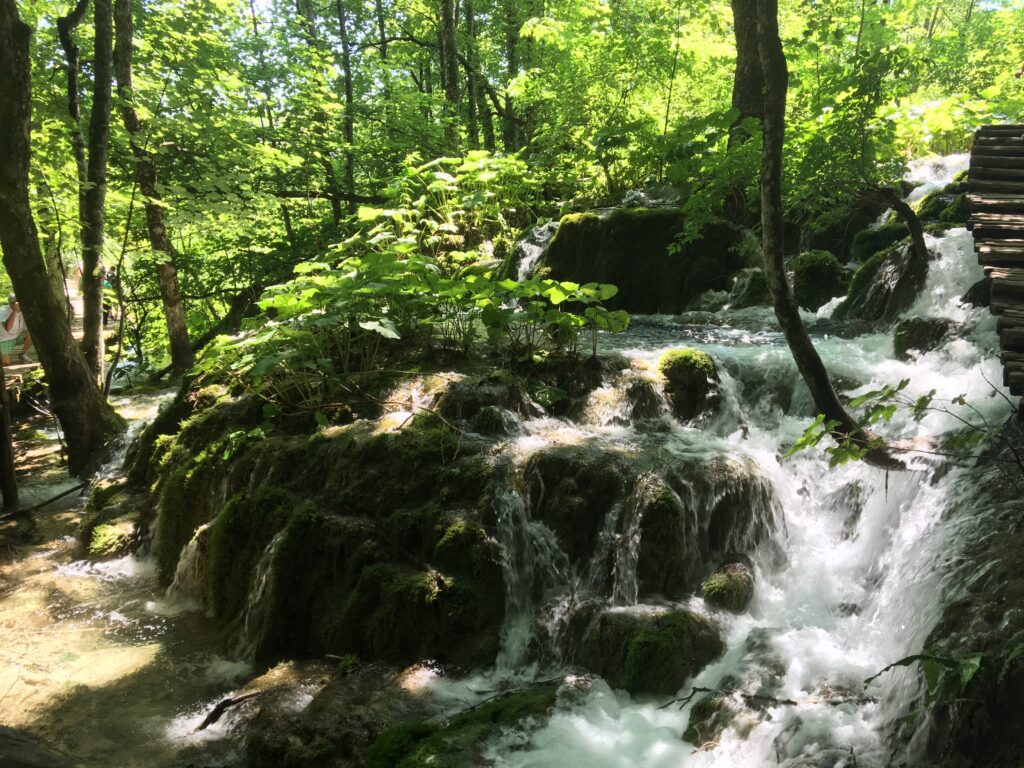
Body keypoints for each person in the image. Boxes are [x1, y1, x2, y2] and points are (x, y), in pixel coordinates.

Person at [0, 294, 33, 366]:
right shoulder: (2, 311)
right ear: (11, 303)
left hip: (17, 336)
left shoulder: (23, 311)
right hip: (5, 339)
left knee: (32, 334)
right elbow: (8, 328)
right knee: (6, 363)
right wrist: (14, 311)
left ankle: (23, 354)